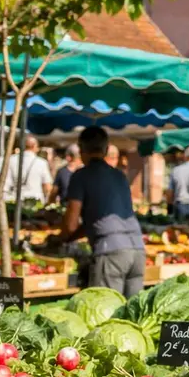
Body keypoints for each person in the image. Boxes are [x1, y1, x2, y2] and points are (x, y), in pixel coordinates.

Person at [57, 126, 145, 297]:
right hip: (137, 250)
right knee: (134, 315)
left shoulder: (81, 176)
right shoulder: (120, 176)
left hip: (111, 253)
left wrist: (60, 239)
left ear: (81, 149)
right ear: (106, 149)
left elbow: (71, 222)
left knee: (106, 313)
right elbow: (98, 219)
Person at [0, 135, 54, 203]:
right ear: (34, 146)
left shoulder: (9, 160)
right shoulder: (41, 163)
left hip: (12, 200)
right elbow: (47, 186)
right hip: (35, 202)